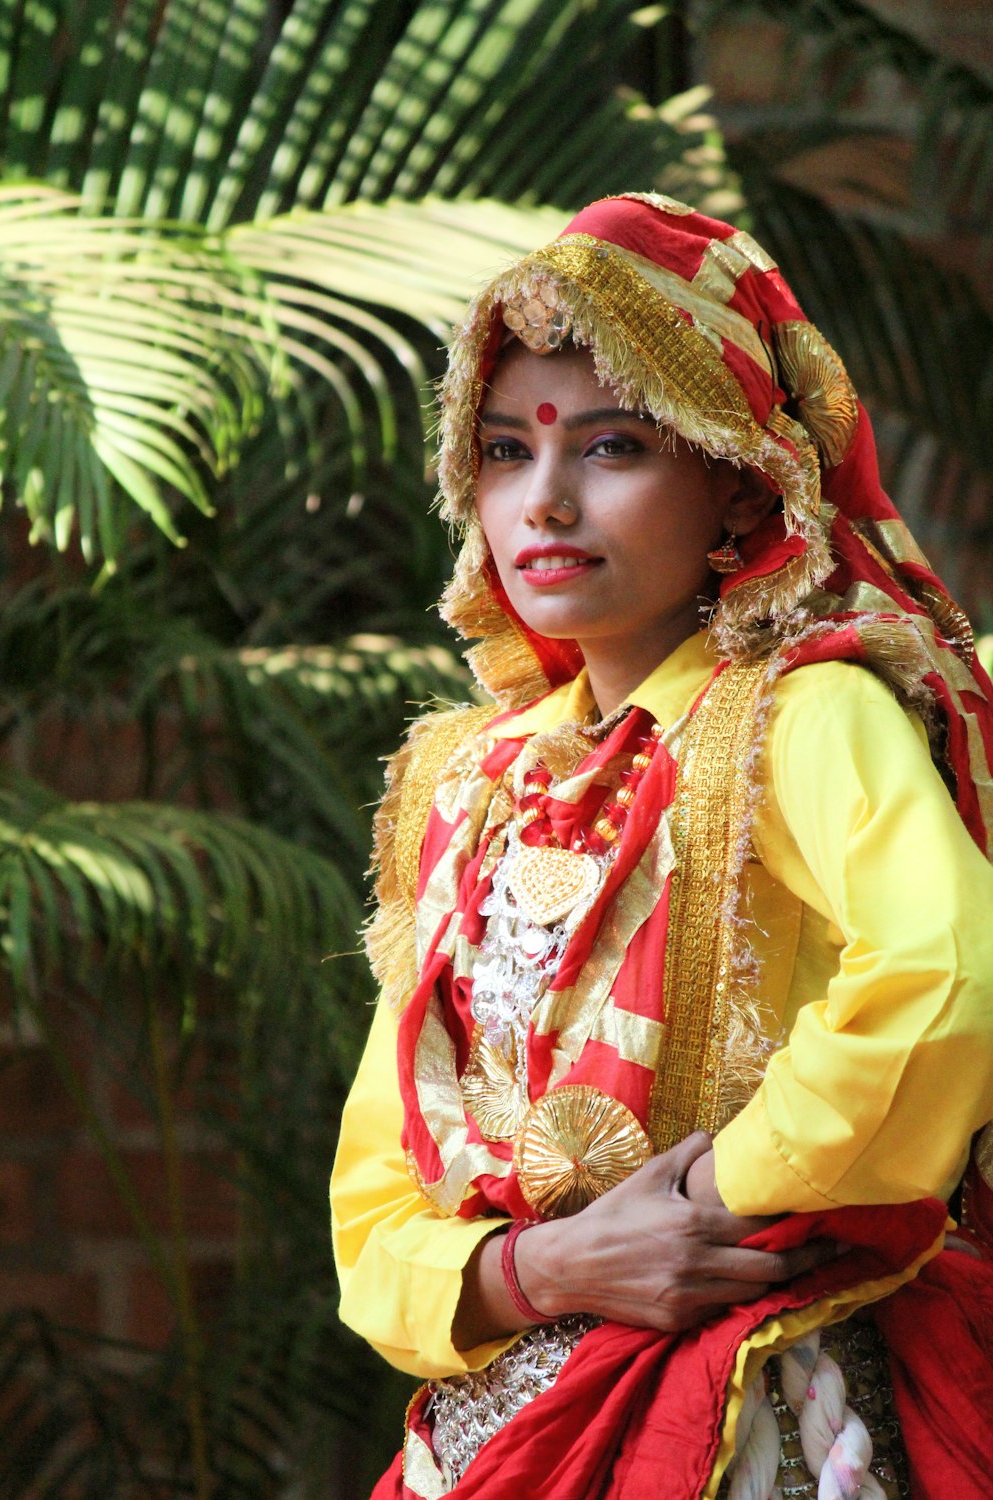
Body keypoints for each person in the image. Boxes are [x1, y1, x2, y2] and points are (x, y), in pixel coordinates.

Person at [331, 193, 993, 1499]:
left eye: (614, 446)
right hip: (500, 1429)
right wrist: (550, 1268)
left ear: (739, 486)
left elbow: (949, 973)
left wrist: (716, 1206)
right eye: (509, 450)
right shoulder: (465, 782)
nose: (548, 501)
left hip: (767, 1409)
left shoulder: (802, 713)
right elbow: (377, 1194)